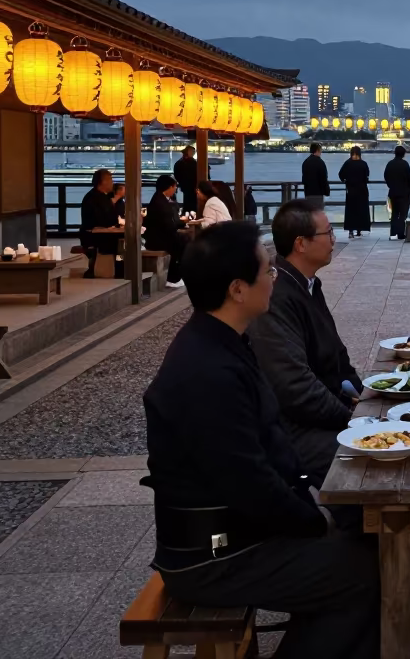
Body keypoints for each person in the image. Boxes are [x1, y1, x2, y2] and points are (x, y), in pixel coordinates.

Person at [142, 222, 379, 659]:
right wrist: (310, 521)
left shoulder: (217, 340)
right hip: (214, 554)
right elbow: (247, 480)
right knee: (367, 573)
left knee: (359, 535)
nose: (274, 277)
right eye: (267, 270)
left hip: (236, 531)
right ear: (237, 289)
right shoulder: (206, 372)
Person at [248, 200, 363, 481]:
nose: (334, 239)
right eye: (329, 232)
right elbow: (293, 385)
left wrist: (365, 398)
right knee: (368, 463)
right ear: (301, 243)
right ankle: (358, 523)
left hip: (322, 410)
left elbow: (337, 355)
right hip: (291, 426)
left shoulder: (308, 283)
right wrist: (351, 419)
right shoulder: (276, 295)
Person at [144, 174, 188, 289]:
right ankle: (173, 278)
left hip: (161, 236)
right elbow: (168, 224)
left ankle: (175, 276)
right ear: (169, 187)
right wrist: (181, 224)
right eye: (174, 187)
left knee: (183, 241)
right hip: (158, 239)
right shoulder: (160, 202)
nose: (175, 190)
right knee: (181, 243)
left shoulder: (161, 199)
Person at [79, 168, 119, 278]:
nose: (112, 183)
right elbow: (102, 220)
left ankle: (118, 268)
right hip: (93, 236)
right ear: (103, 182)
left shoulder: (102, 197)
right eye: (111, 180)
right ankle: (116, 269)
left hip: (101, 233)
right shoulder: (93, 198)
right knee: (121, 243)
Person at [338, 147, 371, 239]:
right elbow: (367, 176)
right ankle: (359, 230)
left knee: (350, 211)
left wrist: (346, 181)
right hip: (362, 190)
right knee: (361, 210)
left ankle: (350, 230)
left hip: (351, 190)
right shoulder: (363, 164)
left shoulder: (348, 163)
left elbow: (341, 174)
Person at [384, 145, 410, 241]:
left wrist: (391, 185)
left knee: (394, 214)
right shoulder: (405, 164)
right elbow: (409, 178)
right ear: (403, 154)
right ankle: (400, 233)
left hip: (393, 192)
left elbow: (386, 176)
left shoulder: (390, 164)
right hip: (404, 193)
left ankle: (393, 233)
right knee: (403, 214)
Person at [173, 145, 198, 214]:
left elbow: (176, 174)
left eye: (193, 151)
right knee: (189, 202)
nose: (193, 153)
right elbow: (177, 174)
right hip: (188, 186)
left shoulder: (182, 162)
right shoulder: (181, 163)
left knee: (190, 202)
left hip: (190, 186)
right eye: (192, 151)